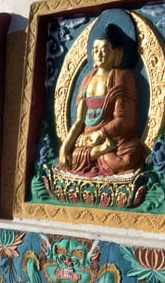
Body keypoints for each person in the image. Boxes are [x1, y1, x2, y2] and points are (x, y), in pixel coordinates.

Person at [59, 25, 148, 176]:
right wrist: (65, 146)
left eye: (104, 49)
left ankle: (98, 154)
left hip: (116, 143)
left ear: (117, 53)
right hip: (89, 142)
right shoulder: (87, 79)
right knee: (70, 158)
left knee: (129, 158)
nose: (98, 54)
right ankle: (96, 153)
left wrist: (101, 134)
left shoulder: (123, 76)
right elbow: (80, 120)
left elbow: (125, 120)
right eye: (95, 50)